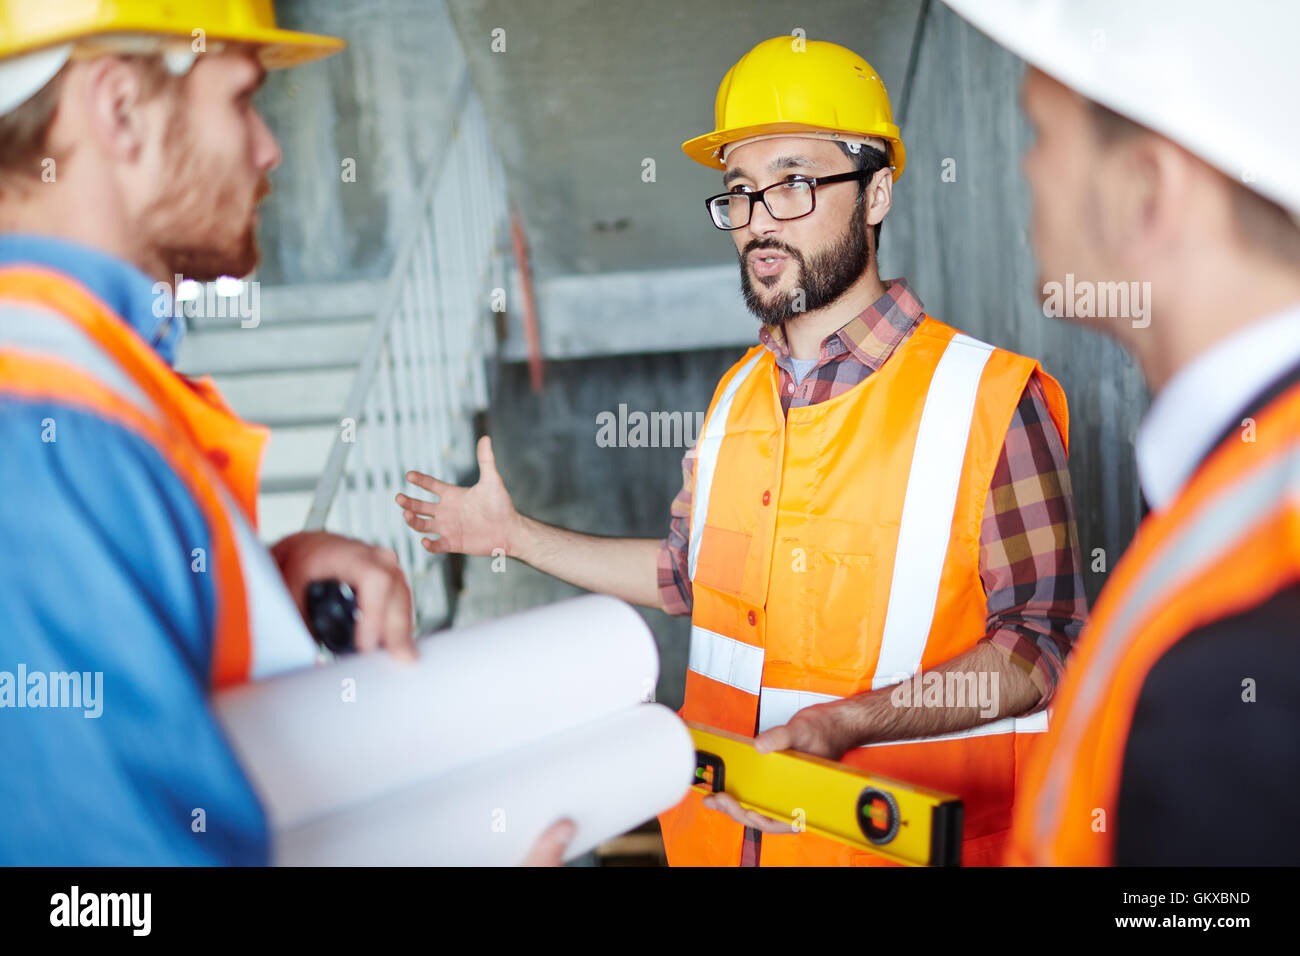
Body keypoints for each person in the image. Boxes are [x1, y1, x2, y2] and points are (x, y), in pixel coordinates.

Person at [396, 36, 1087, 867]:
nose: (759, 221)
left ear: (876, 195)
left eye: (793, 184)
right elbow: (690, 577)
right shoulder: (737, 398)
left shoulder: (988, 398)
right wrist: (514, 537)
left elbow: (1038, 647)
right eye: (739, 192)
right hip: (723, 846)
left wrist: (847, 722)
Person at [0, 0, 569, 866]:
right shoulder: (47, 435)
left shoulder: (72, 389)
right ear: (119, 111)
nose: (269, 148)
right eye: (241, 99)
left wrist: (254, 587)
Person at [941, 0, 1300, 864]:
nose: (1025, 169)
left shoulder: (1238, 667)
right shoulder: (1237, 491)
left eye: (1041, 132)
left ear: (1148, 191)